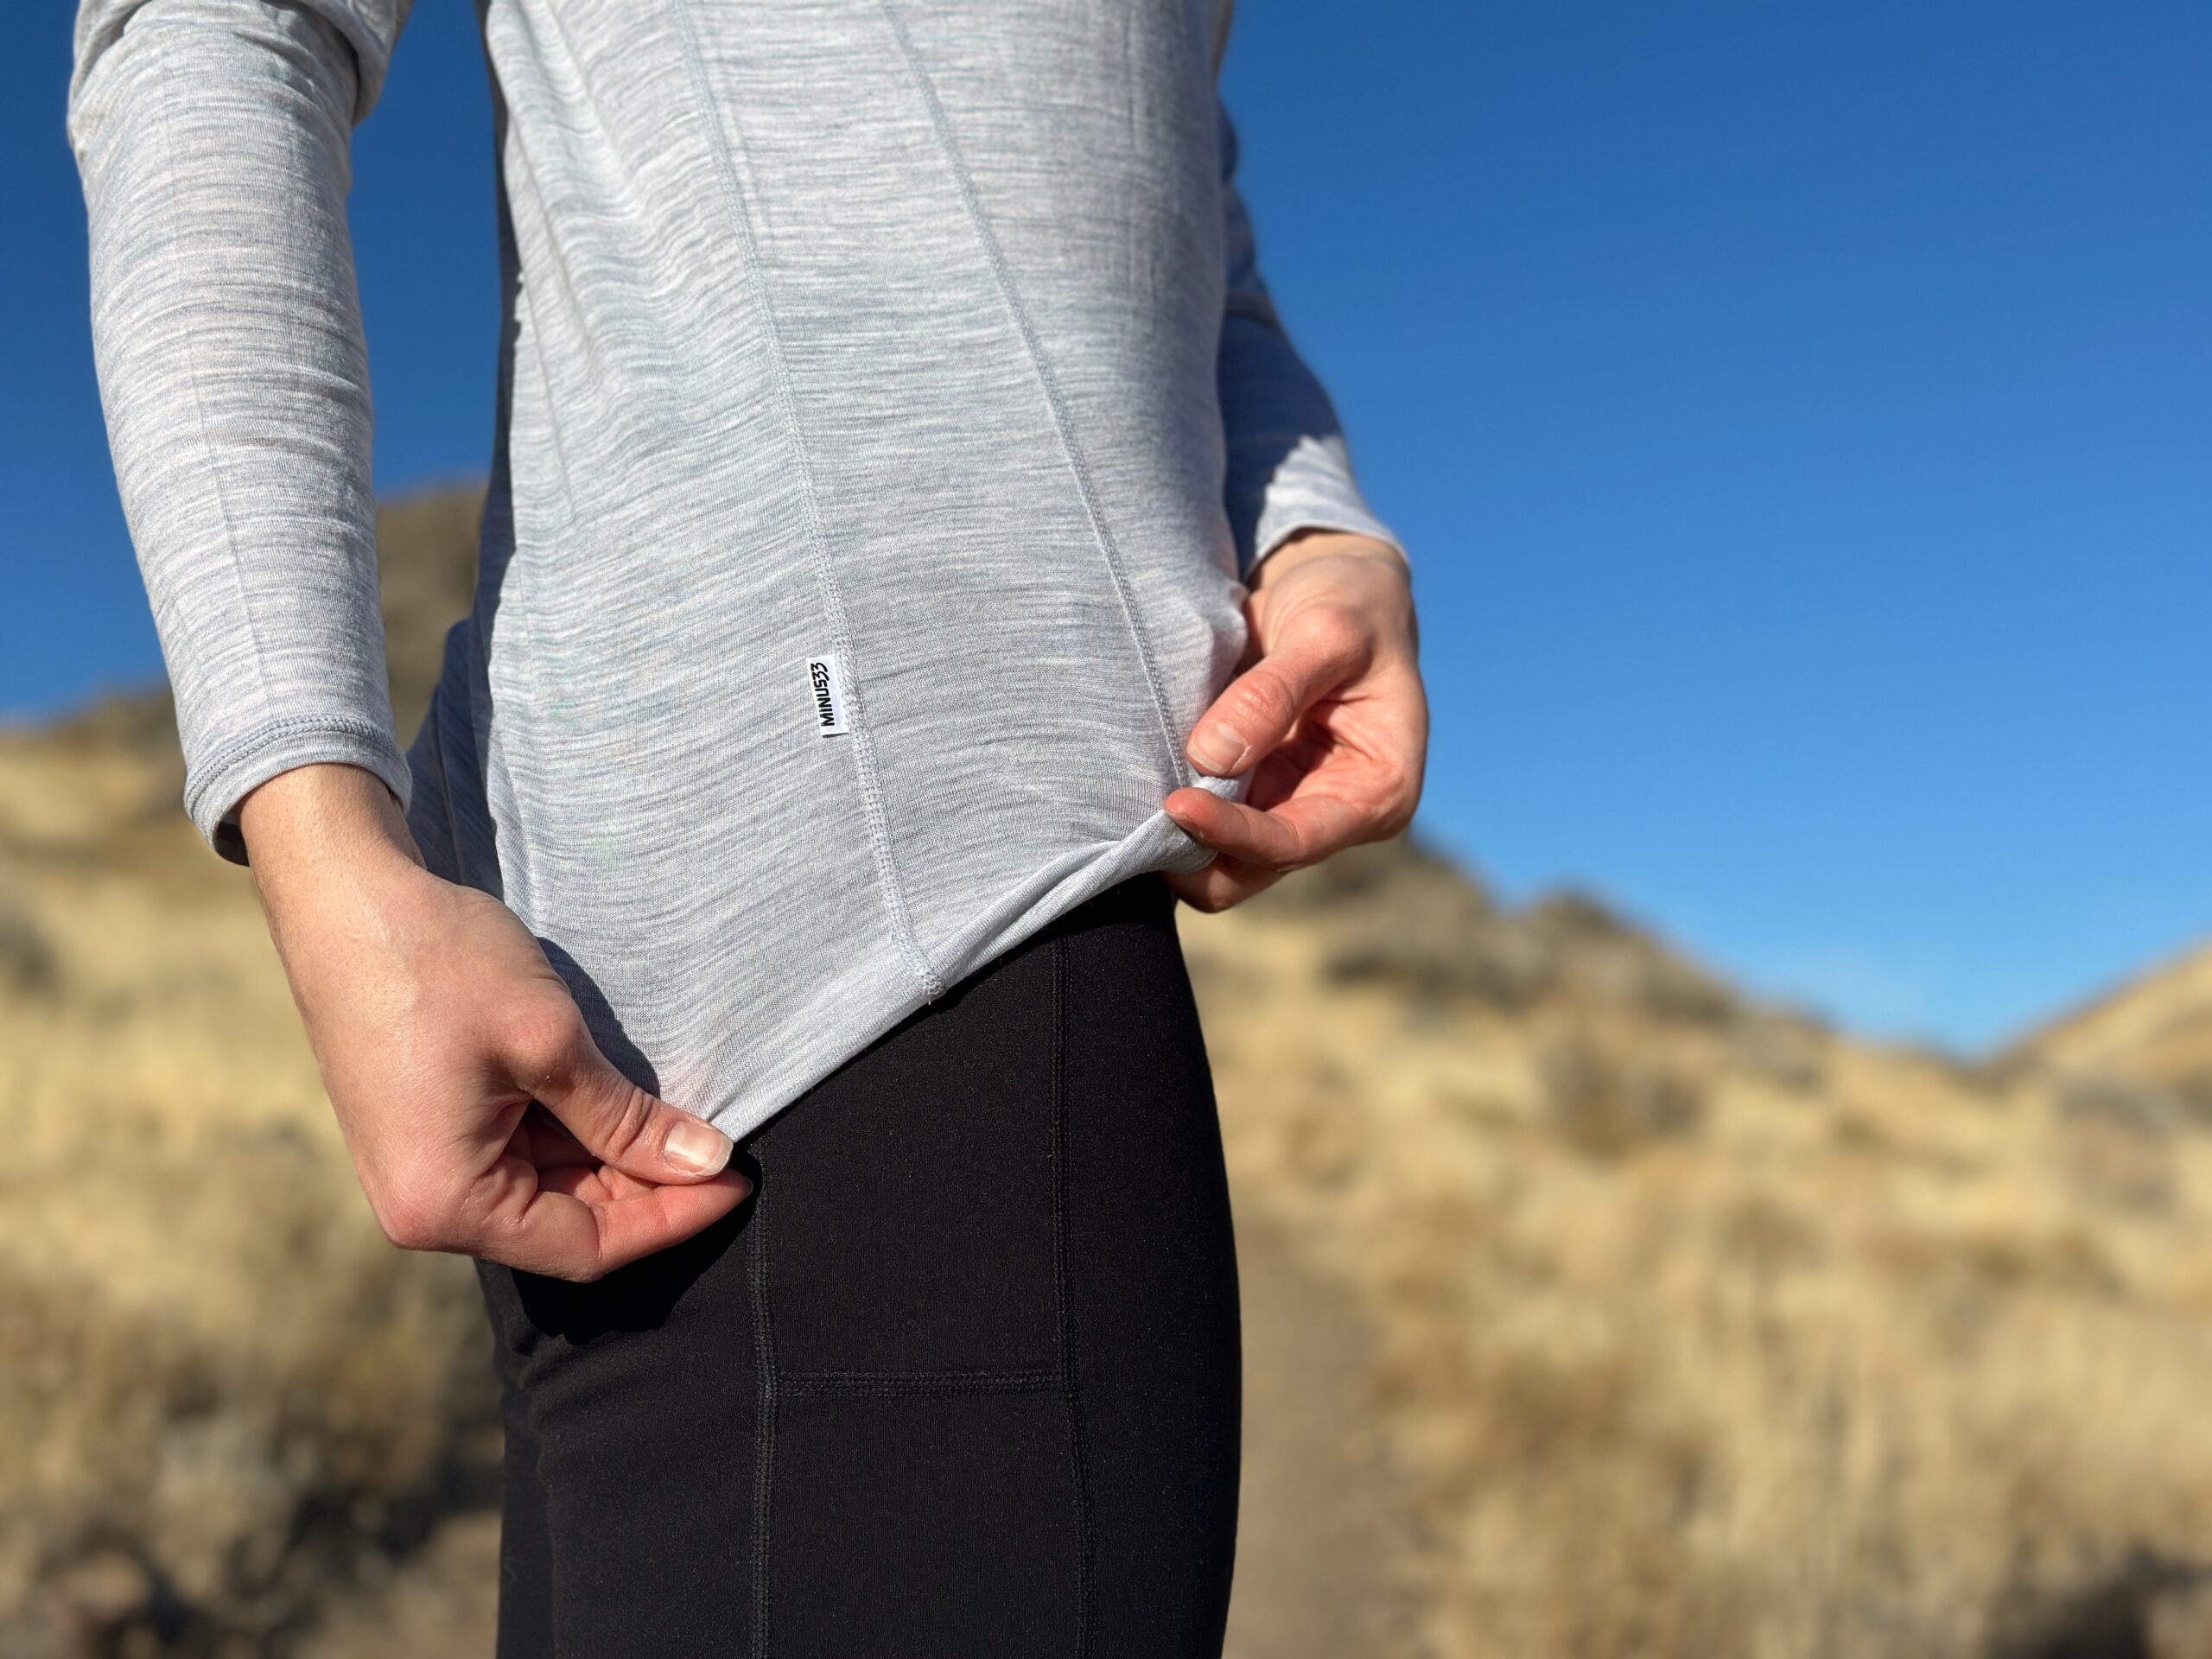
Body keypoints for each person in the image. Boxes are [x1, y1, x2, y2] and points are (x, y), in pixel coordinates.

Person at [67, 0, 1427, 1652]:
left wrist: (1317, 531)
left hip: (1050, 912)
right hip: (821, 974)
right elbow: (212, 28)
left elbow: (1182, 229)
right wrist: (314, 826)